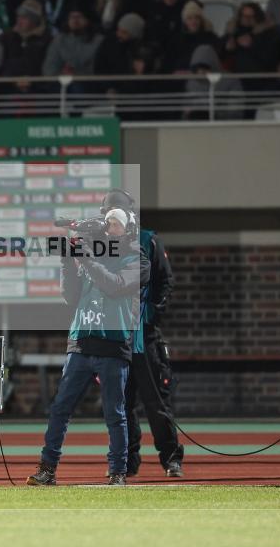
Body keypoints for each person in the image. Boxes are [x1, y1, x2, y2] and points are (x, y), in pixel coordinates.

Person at [27, 203, 149, 486]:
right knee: (60, 409)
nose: (109, 227)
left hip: (113, 343)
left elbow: (115, 285)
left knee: (114, 412)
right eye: (107, 222)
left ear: (129, 229)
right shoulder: (94, 255)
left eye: (115, 223)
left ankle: (118, 472)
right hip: (81, 340)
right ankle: (47, 469)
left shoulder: (136, 259)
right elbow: (70, 296)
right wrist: (68, 261)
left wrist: (87, 258)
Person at [98, 190, 184, 478]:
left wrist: (150, 316)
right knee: (120, 404)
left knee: (156, 402)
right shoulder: (101, 245)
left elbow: (165, 281)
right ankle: (127, 461)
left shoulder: (148, 240)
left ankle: (171, 458)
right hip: (114, 338)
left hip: (144, 338)